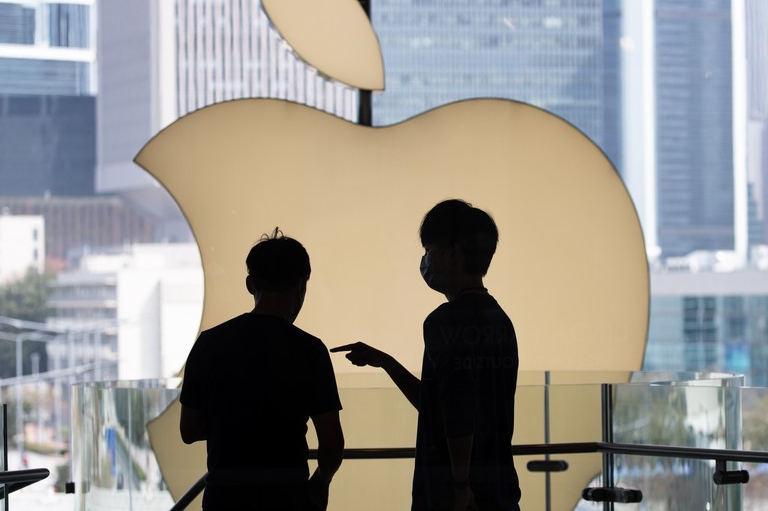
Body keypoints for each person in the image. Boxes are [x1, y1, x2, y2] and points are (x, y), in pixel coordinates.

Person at [333, 199, 521, 511]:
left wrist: (461, 486)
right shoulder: (501, 322)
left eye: (431, 251)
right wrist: (387, 363)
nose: (426, 261)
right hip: (500, 491)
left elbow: (458, 412)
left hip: (453, 496)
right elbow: (439, 405)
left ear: (455, 252)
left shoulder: (444, 321)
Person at [179, 229, 344, 511]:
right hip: (288, 496)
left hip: (225, 495)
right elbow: (331, 442)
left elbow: (189, 430)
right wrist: (321, 480)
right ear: (302, 285)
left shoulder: (209, 343)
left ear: (249, 283)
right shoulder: (310, 350)